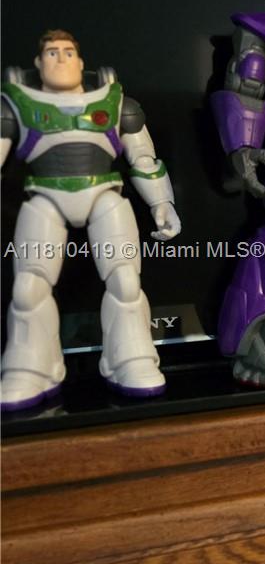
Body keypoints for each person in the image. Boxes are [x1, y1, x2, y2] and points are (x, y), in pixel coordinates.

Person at [1, 29, 182, 409]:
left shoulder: (115, 102)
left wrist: (161, 203)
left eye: (68, 52)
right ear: (38, 63)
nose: (61, 59)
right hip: (45, 197)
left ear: (82, 63)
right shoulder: (16, 104)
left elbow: (143, 159)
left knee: (126, 281)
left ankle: (131, 358)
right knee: (28, 289)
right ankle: (32, 366)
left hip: (105, 194)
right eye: (52, 53)